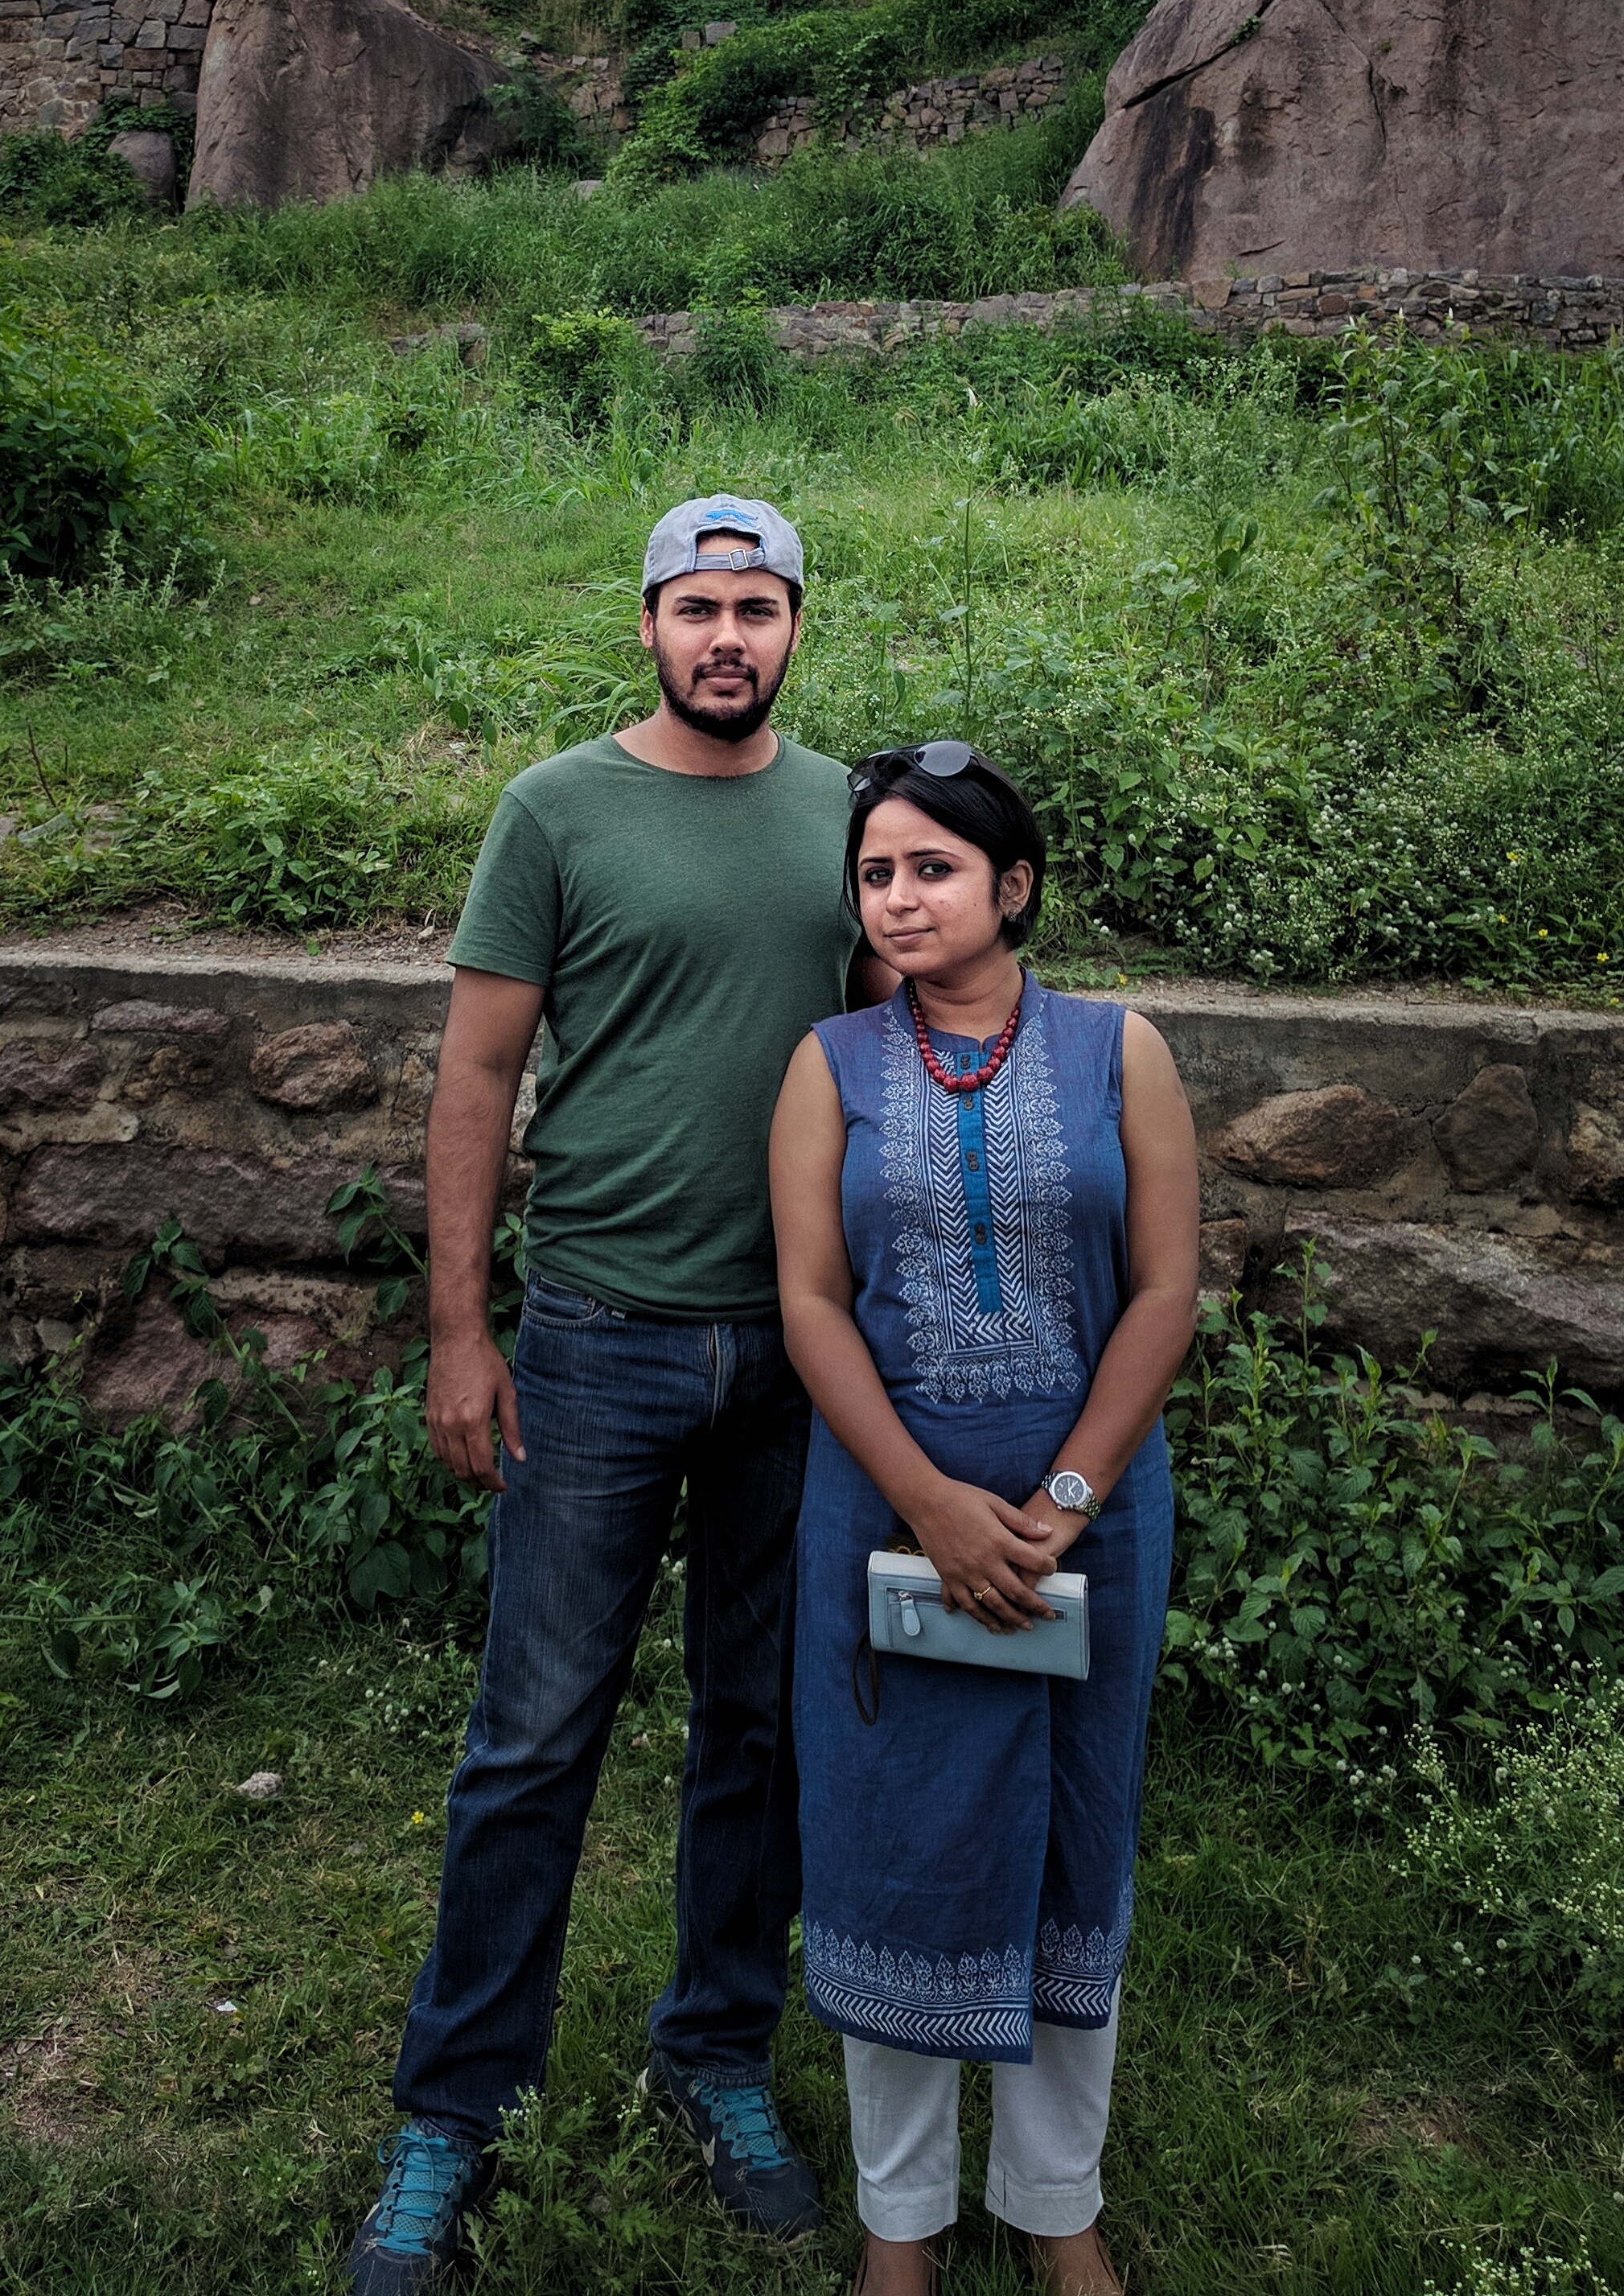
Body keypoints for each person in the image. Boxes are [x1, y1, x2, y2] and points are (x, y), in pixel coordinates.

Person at [350, 495, 896, 2296]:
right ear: (645, 623)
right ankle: (451, 2107)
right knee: (533, 1732)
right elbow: (476, 1072)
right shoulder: (556, 809)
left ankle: (715, 2051)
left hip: (798, 1348)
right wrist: (459, 1325)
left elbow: (904, 1040)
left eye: (756, 606)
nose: (725, 634)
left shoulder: (845, 818)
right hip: (595, 1334)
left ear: (797, 625)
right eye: (695, 606)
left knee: (760, 1726)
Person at [768, 743, 1200, 2296]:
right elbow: (811, 1302)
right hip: (885, 1511)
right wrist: (931, 1501)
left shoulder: (1116, 1050)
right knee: (886, 1843)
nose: (899, 898)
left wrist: (1065, 1497)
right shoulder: (829, 1066)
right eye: (877, 873)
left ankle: (1052, 2201)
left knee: (1077, 1841)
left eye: (934, 868)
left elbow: (1165, 1290)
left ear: (1013, 887)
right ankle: (904, 2223)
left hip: (1091, 1518)